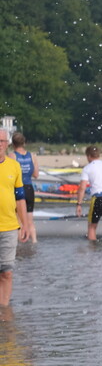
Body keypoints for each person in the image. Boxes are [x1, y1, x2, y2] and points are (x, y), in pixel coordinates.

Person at [0, 129, 33, 306]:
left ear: (7, 144)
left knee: (6, 272)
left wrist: (25, 224)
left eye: (1, 141)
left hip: (9, 227)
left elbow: (20, 198)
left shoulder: (14, 166)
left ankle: (4, 311)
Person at [10, 132, 37, 243]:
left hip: (18, 189)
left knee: (18, 220)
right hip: (29, 189)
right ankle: (34, 243)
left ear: (13, 144)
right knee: (30, 220)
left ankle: (19, 248)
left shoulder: (12, 156)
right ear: (24, 143)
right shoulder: (33, 156)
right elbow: (36, 174)